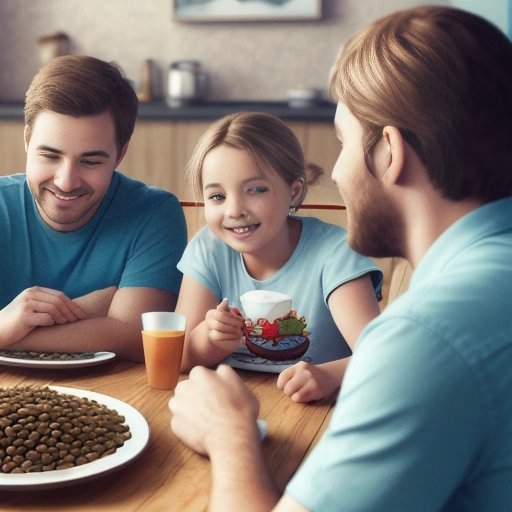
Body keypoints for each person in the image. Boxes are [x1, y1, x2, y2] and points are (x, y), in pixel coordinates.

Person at [168, 5, 512, 510]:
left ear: (388, 152)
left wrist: (227, 435)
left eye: (343, 141)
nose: (338, 169)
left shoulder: (425, 336)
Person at [175, 111, 382, 402]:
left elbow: (383, 360)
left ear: (294, 192)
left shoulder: (336, 255)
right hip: (230, 406)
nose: (234, 210)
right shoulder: (208, 249)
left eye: (256, 190)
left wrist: (331, 375)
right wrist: (208, 339)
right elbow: (178, 356)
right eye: (217, 197)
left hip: (320, 414)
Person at [0, 55, 187, 361]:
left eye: (90, 161)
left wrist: (9, 333)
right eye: (49, 155)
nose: (66, 181)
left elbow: (137, 336)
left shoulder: (155, 213)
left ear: (120, 153)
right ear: (27, 140)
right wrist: (96, 311)